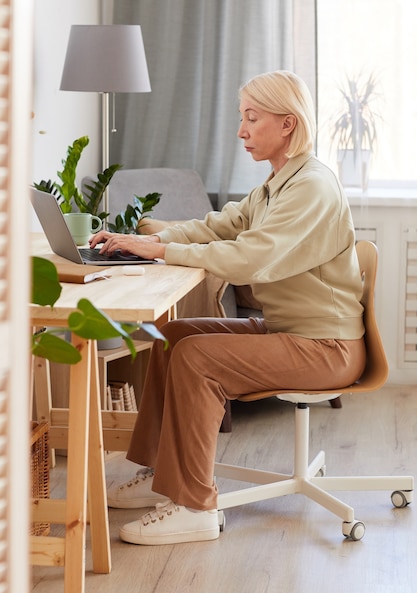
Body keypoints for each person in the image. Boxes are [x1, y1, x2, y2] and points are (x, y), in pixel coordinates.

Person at [89, 70, 366, 546]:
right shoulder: (277, 183)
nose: (241, 130)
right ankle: (161, 475)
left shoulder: (311, 188)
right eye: (242, 117)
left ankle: (194, 505)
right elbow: (219, 226)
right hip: (290, 330)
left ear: (287, 124)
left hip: (326, 345)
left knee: (199, 358)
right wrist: (147, 240)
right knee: (173, 337)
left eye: (252, 118)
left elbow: (249, 257)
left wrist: (161, 252)